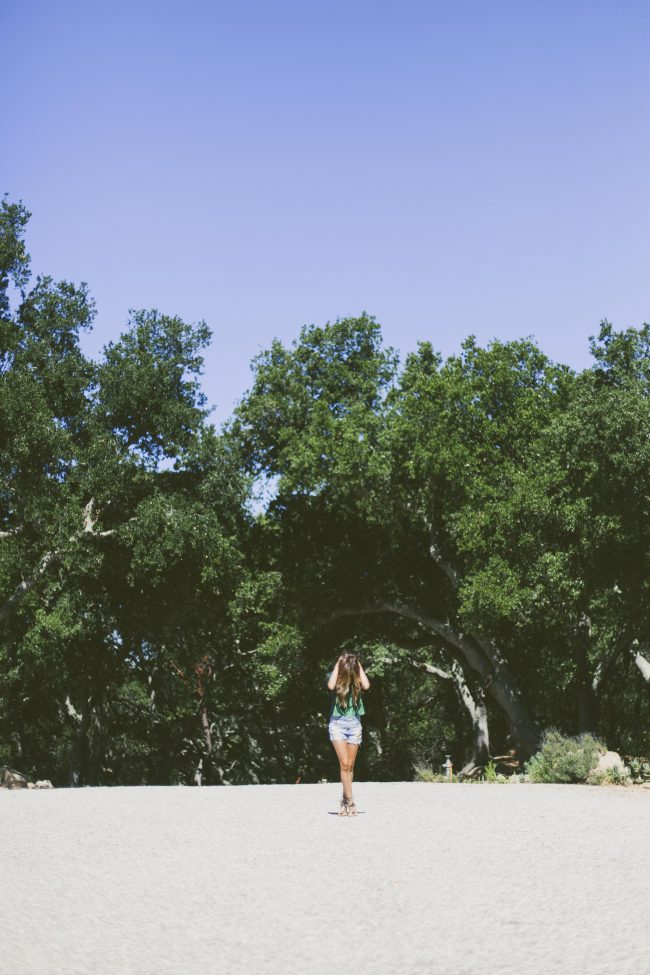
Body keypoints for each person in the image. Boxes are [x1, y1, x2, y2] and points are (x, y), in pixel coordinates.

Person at [327, 652, 370, 816]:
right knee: (344, 764)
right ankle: (350, 801)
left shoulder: (357, 681)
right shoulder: (337, 678)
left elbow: (367, 686)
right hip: (338, 724)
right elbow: (330, 686)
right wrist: (338, 664)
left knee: (350, 766)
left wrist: (358, 664)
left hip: (354, 724)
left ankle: (344, 800)